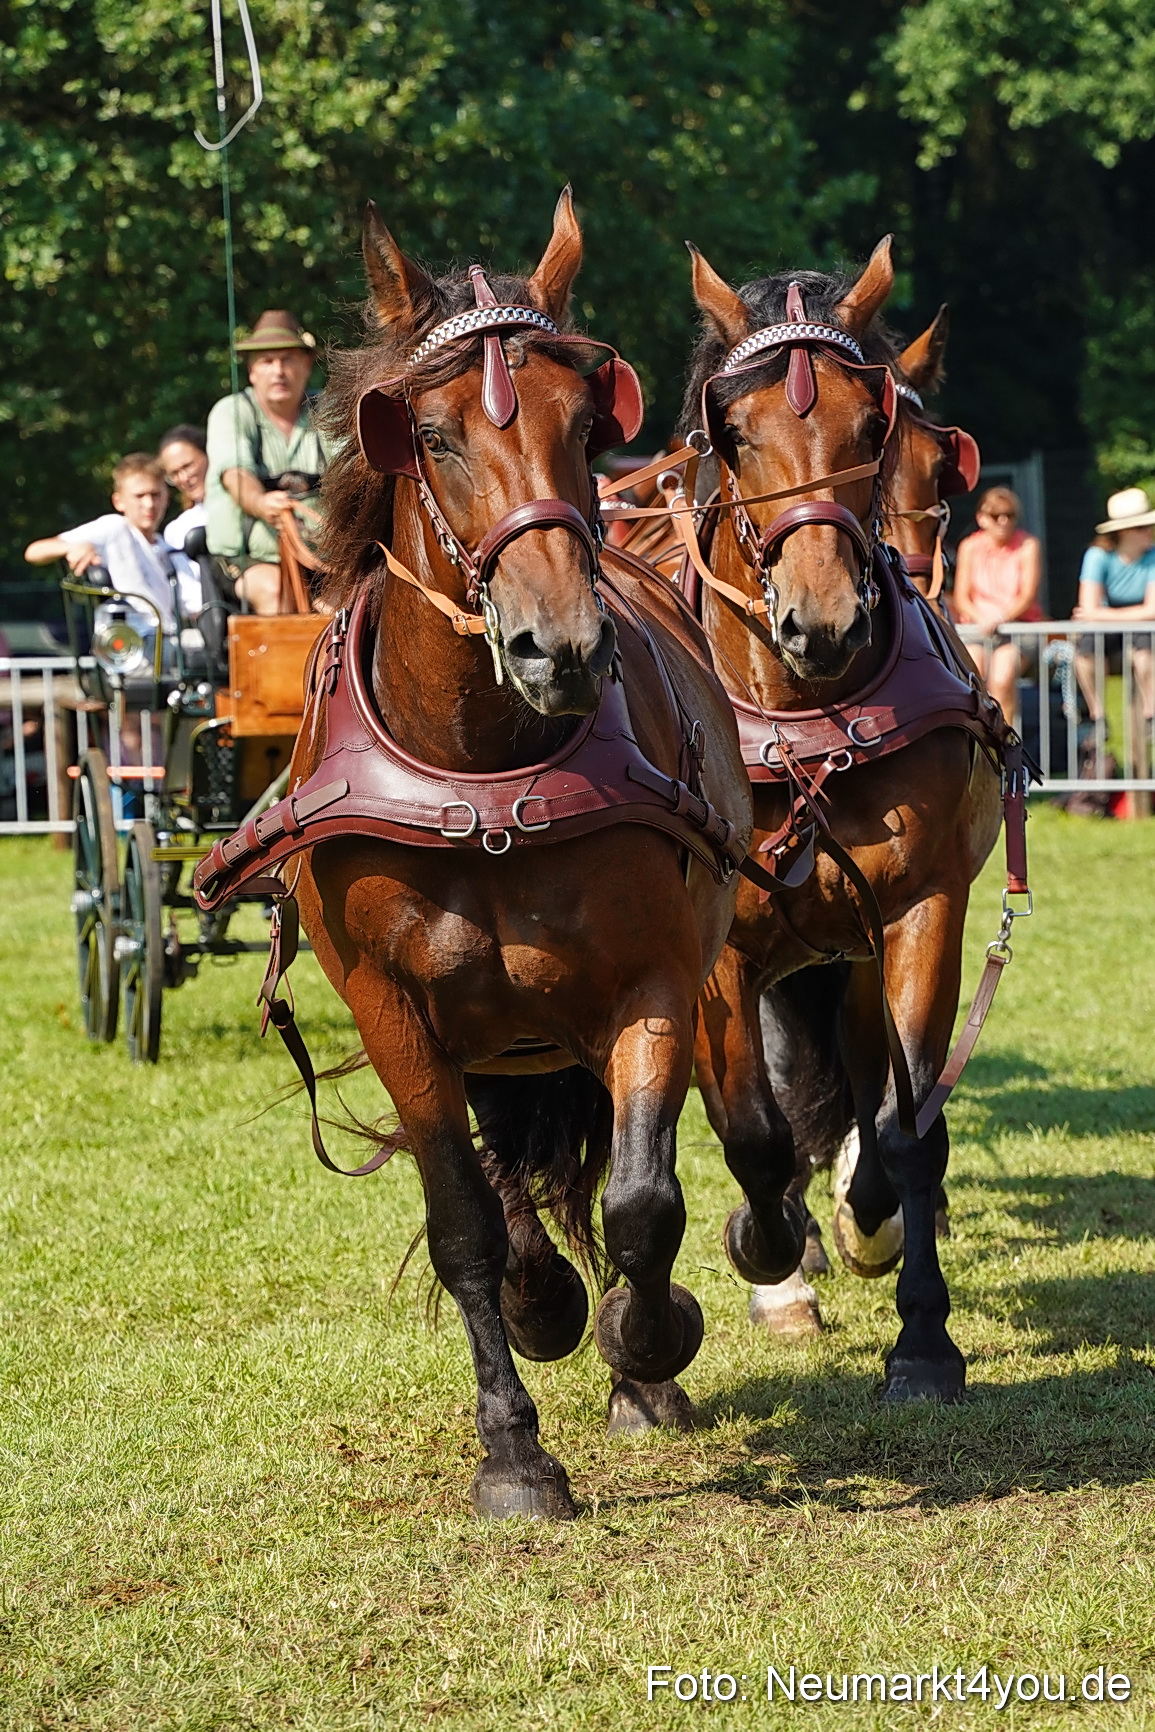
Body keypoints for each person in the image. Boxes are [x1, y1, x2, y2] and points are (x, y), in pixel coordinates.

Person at [204, 310, 330, 616]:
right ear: (252, 371)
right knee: (276, 594)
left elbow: (352, 475)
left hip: (324, 559)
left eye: (288, 359)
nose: (279, 371)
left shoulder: (330, 410)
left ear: (306, 364)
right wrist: (260, 503)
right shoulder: (232, 411)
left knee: (351, 607)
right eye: (267, 361)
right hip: (248, 559)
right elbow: (235, 475)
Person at [23, 452, 201, 630]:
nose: (149, 504)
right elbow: (34, 551)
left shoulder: (169, 549)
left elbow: (193, 605)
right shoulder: (115, 528)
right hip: (126, 643)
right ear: (118, 501)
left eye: (155, 495)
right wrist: (73, 547)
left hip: (168, 640)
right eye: (139, 496)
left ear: (166, 498)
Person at [1073, 487, 1155, 754]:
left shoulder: (1153, 557)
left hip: (1138, 626)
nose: (1149, 531)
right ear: (1124, 531)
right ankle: (1098, 717)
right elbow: (1087, 606)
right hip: (1111, 627)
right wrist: (1126, 615)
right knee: (1083, 653)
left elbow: (1152, 611)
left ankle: (1151, 716)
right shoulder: (1097, 556)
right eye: (1142, 527)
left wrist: (1102, 615)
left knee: (1145, 655)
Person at [953, 485, 1042, 723]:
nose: (1003, 521)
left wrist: (1001, 617)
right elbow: (961, 597)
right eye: (996, 515)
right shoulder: (969, 547)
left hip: (1017, 627)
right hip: (977, 627)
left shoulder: (1028, 545)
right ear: (982, 518)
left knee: (1002, 678)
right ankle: (978, 741)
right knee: (973, 675)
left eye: (1009, 515)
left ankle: (1005, 745)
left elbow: (1027, 596)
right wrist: (981, 618)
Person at [159, 424, 208, 554]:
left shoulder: (247, 504)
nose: (184, 478)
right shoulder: (177, 531)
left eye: (188, 466)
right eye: (174, 474)